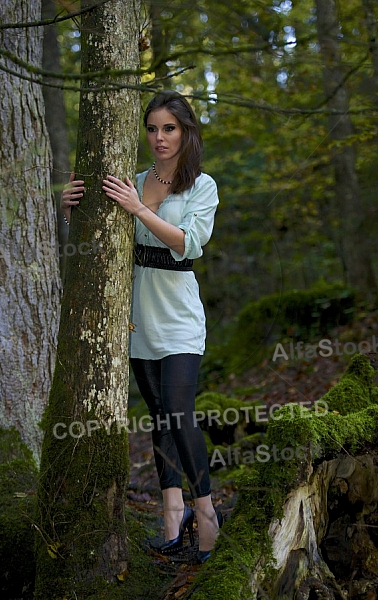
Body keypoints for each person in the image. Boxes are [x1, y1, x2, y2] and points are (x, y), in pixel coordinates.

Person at [61, 90, 220, 563]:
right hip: (136, 318)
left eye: (169, 128)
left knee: (179, 410)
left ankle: (207, 514)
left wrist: (139, 209)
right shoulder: (130, 181)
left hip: (178, 317)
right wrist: (74, 212)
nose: (159, 138)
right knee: (160, 418)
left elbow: (188, 245)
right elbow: (103, 245)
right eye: (152, 128)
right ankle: (173, 517)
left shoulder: (201, 186)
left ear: (186, 131)